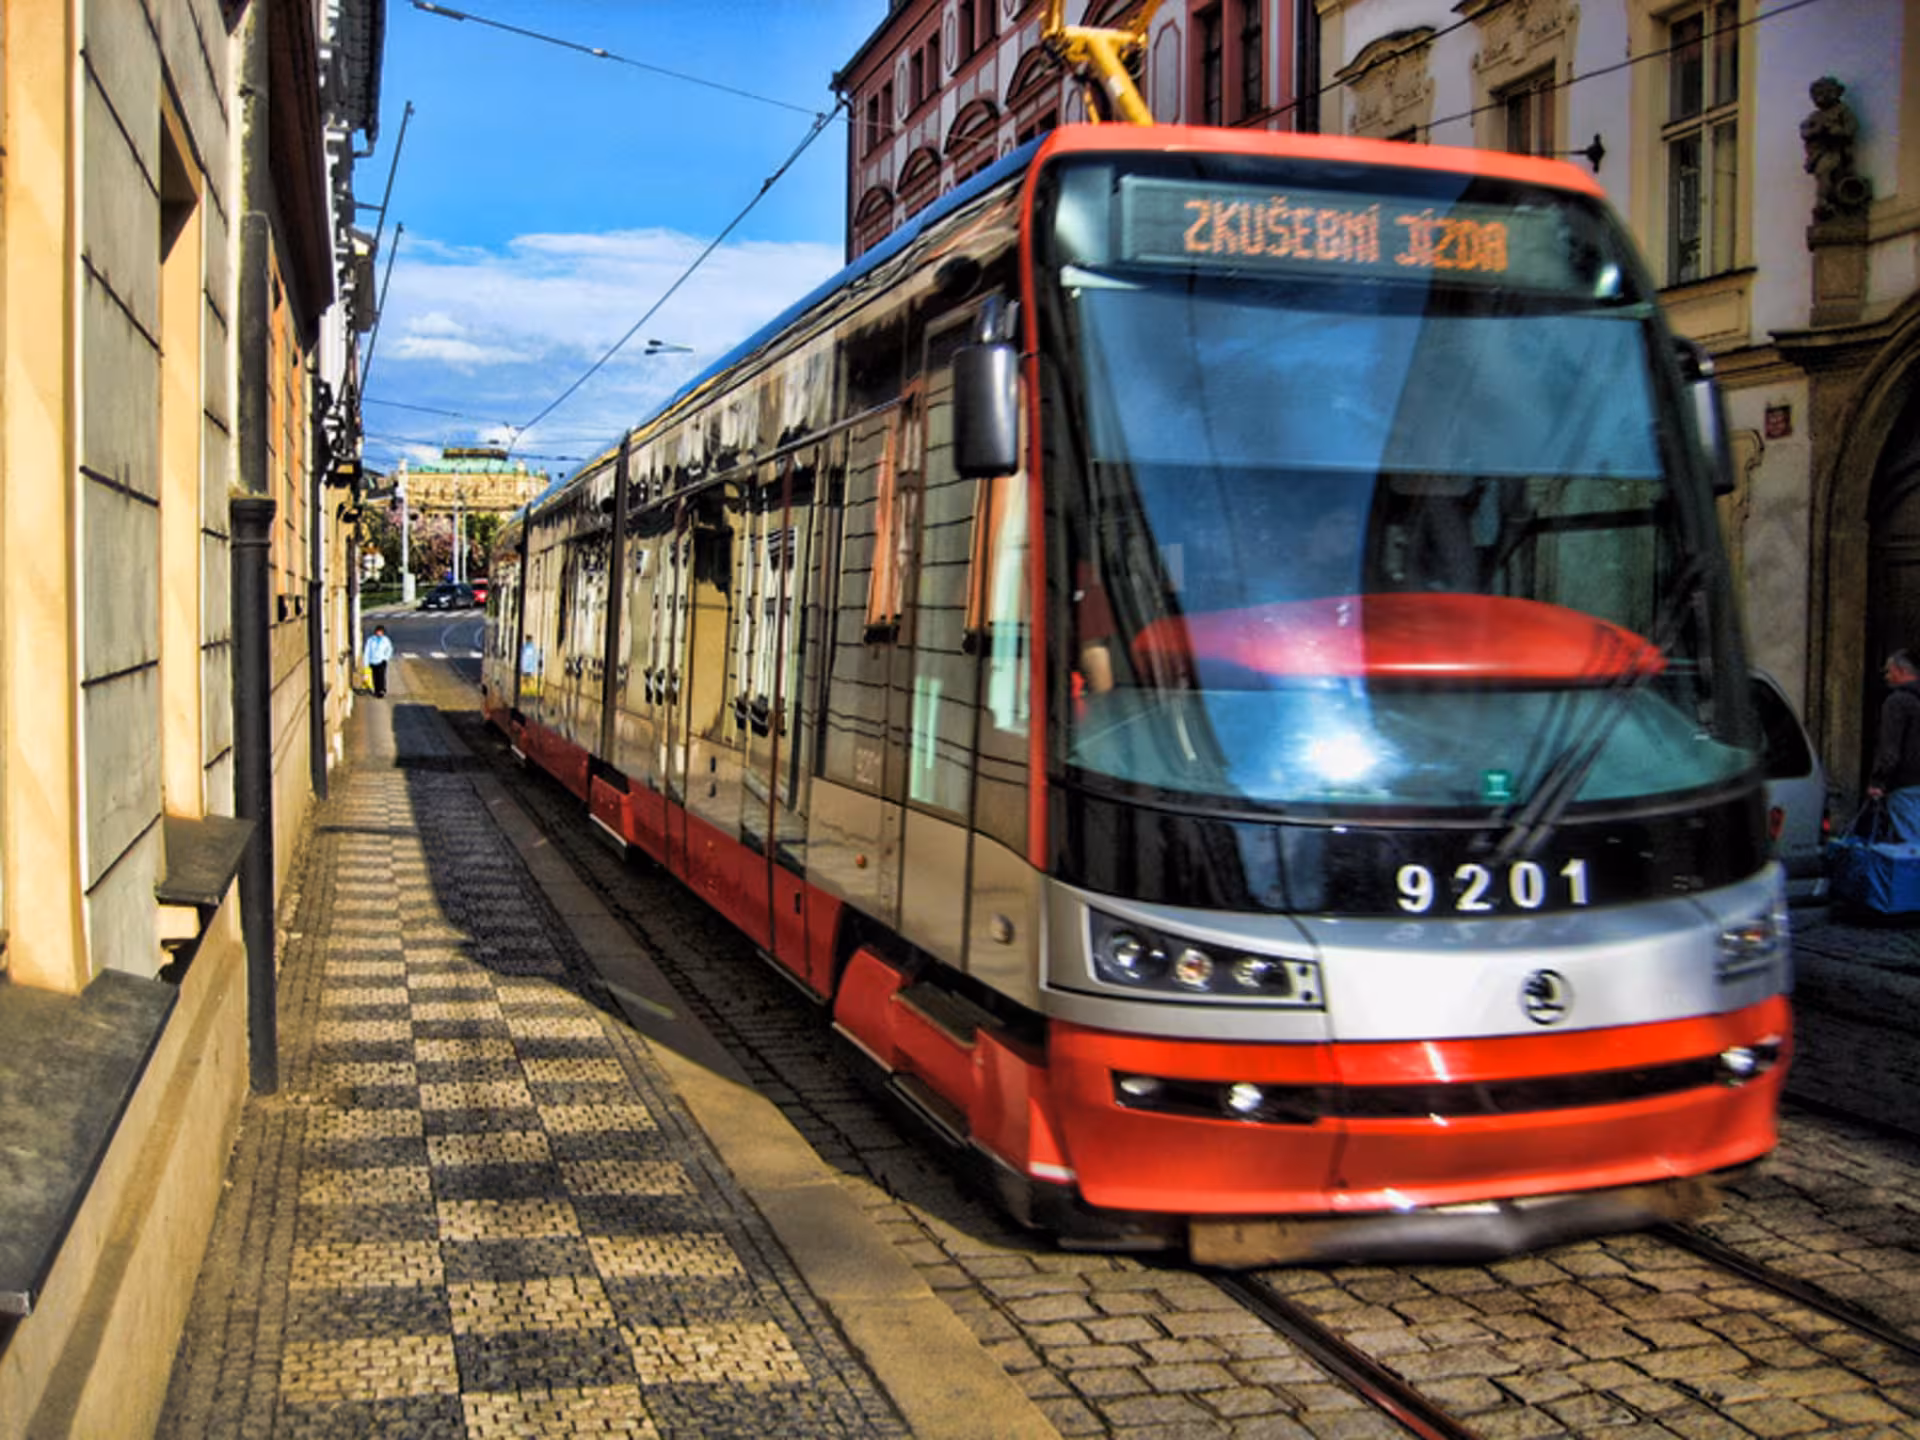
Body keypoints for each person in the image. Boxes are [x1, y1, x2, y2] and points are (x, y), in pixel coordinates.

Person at [1869, 650, 1920, 839]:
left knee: (1912, 841)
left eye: (1889, 671)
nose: (1887, 677)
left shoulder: (1897, 702)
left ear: (1901, 671)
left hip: (1904, 784)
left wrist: (1878, 781)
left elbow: (1889, 749)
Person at [363, 624, 394, 699]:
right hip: (372, 661)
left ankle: (381, 690)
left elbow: (389, 649)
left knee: (381, 676)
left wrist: (386, 658)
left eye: (381, 632)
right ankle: (376, 690)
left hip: (381, 661)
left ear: (383, 632)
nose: (379, 633)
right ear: (375, 632)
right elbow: (367, 651)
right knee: (375, 676)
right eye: (378, 632)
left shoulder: (385, 640)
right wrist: (366, 663)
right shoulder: (371, 640)